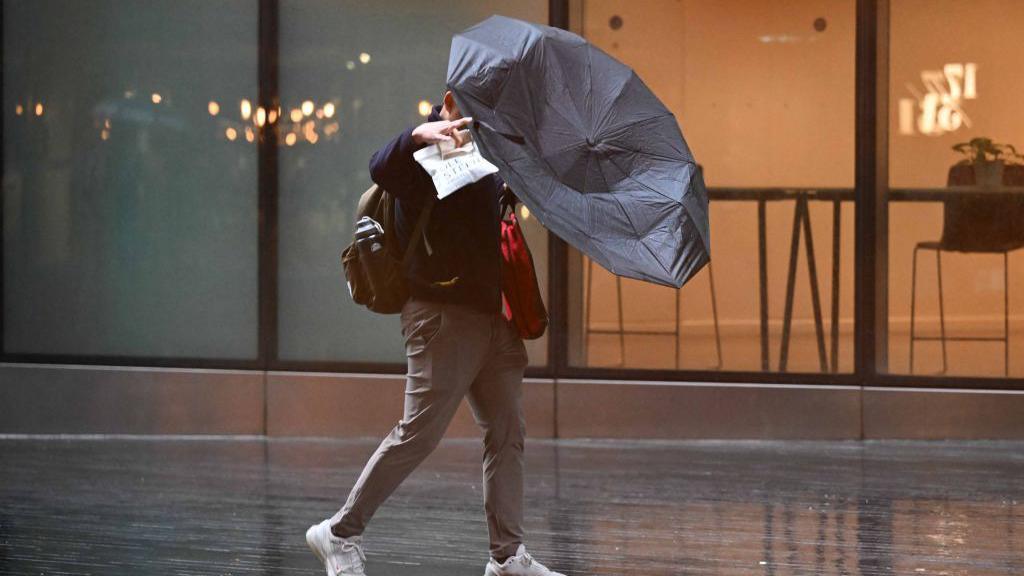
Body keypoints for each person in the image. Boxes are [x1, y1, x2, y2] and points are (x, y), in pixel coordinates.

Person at [305, 90, 565, 576]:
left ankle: (507, 558)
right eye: (478, 112)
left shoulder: (487, 159)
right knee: (418, 433)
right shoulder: (421, 159)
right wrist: (417, 135)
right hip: (442, 319)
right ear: (450, 102)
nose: (486, 122)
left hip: (493, 320)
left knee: (507, 433)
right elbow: (379, 165)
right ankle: (339, 532)